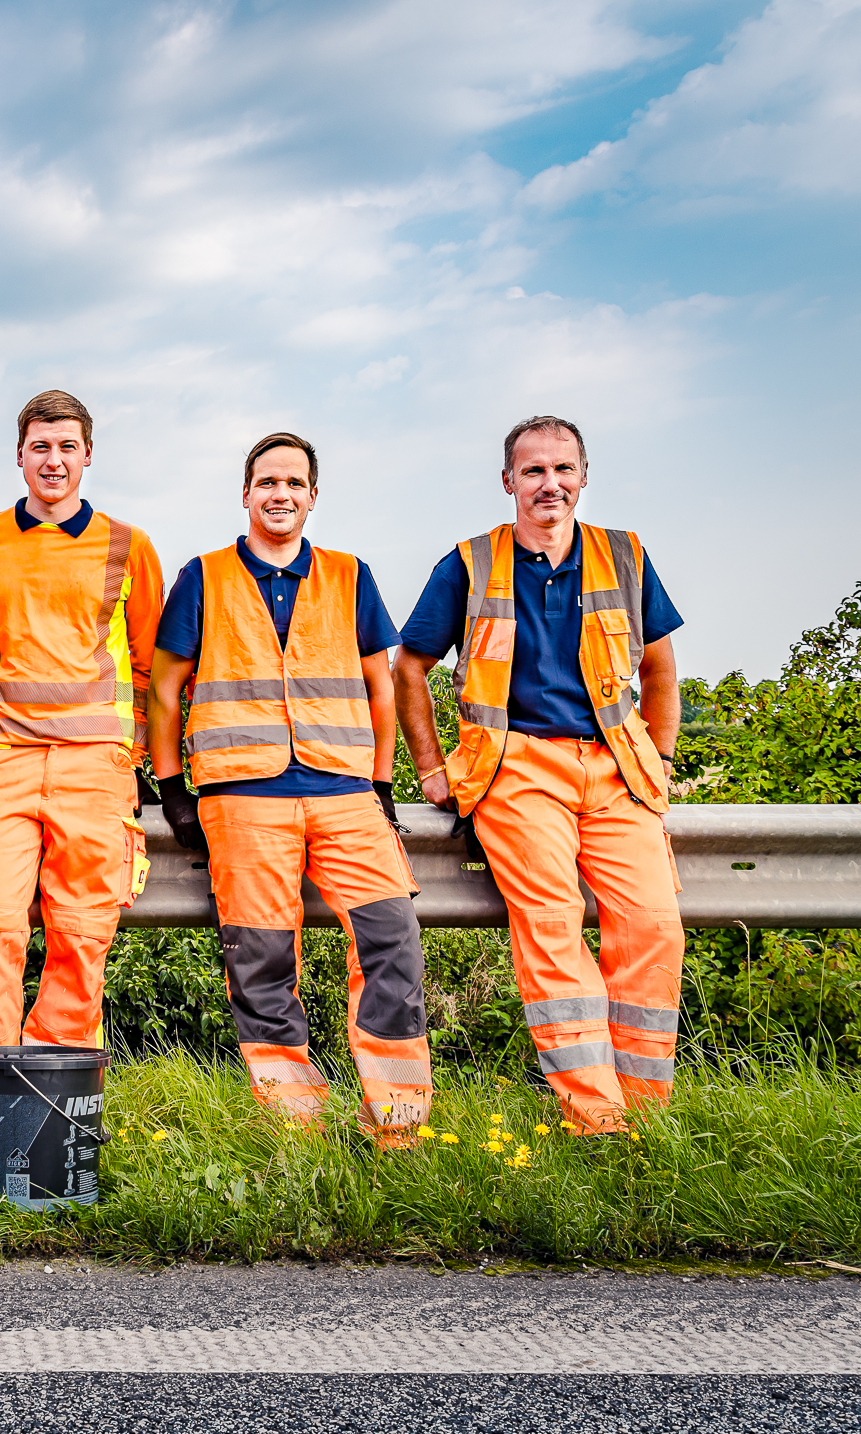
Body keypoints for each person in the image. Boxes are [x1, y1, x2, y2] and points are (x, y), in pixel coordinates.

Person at [395, 415, 683, 1135]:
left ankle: (646, 1119)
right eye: (533, 471)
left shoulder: (625, 555)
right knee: (553, 929)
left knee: (653, 928)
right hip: (516, 764)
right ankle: (599, 1123)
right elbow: (410, 666)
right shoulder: (468, 562)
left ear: (583, 477)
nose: (549, 484)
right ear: (508, 482)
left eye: (562, 469)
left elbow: (659, 670)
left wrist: (661, 760)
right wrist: (430, 766)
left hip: (614, 768)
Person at [148, 433, 429, 1143]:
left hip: (343, 794)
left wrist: (382, 778)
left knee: (392, 944)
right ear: (245, 494)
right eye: (267, 482)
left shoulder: (348, 574)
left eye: (295, 483)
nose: (281, 494)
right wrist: (171, 784)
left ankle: (397, 1123)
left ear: (312, 496)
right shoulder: (202, 577)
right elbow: (164, 687)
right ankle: (295, 1127)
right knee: (264, 965)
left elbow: (381, 682)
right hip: (243, 800)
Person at [0, 390, 164, 1053]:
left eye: (67, 447)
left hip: (95, 766)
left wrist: (137, 758)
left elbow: (153, 668)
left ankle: (56, 1106)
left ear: (88, 455)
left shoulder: (129, 545)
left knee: (81, 940)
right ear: (19, 456)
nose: (54, 460)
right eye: (41, 446)